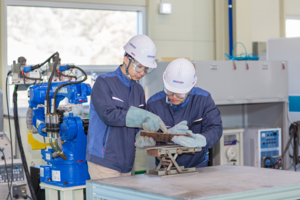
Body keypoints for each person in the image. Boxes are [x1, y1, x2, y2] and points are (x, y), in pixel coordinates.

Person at [86, 35, 167, 179]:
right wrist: (141, 116)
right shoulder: (103, 83)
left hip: (127, 162)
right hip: (105, 162)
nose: (142, 73)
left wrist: (143, 134)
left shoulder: (139, 90)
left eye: (146, 69)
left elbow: (139, 125)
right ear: (126, 59)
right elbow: (109, 115)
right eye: (139, 67)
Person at [136, 58, 223, 168]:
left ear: (190, 88)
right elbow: (143, 133)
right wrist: (163, 138)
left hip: (198, 165)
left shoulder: (203, 100)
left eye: (180, 94)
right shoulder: (154, 104)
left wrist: (203, 138)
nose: (174, 97)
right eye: (170, 91)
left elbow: (216, 128)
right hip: (165, 166)